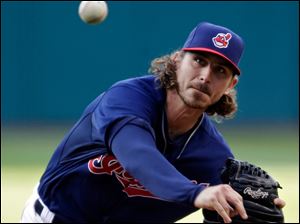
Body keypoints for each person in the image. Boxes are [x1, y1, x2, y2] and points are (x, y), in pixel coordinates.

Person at [20, 21, 285, 223]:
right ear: (177, 60)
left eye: (220, 70)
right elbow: (137, 154)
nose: (205, 76)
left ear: (230, 85)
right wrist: (195, 193)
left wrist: (245, 209)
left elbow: (229, 204)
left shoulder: (213, 159)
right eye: (199, 61)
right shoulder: (126, 99)